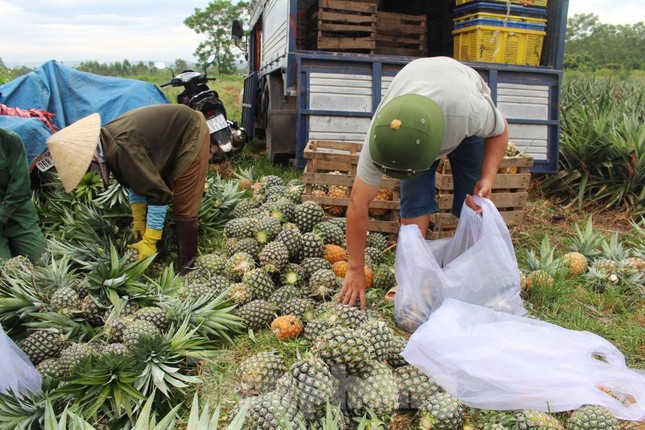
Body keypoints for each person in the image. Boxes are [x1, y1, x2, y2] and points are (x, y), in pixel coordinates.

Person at [337, 56, 509, 309]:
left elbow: (501, 129)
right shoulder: (382, 134)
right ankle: (414, 276)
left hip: (458, 100)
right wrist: (355, 268)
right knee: (415, 195)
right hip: (417, 104)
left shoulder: (470, 113)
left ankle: (469, 271)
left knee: (472, 197)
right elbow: (357, 203)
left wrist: (488, 177)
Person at [46, 104, 215, 275]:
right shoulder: (106, 141)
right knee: (155, 187)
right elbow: (135, 180)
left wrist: (149, 241)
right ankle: (160, 254)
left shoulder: (120, 148)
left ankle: (188, 269)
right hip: (170, 140)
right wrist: (139, 219)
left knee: (184, 203)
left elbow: (159, 195)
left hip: (191, 130)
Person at [0, 129, 46, 263]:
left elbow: (20, 186)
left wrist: (2, 213)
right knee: (4, 272)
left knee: (41, 263)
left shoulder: (10, 141)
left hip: (19, 217)